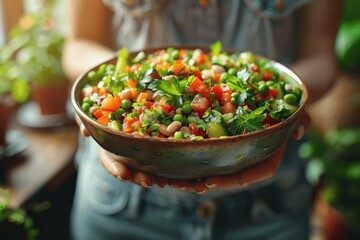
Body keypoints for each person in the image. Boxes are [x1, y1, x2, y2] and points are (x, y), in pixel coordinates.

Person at [62, 0, 342, 239]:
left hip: (267, 206)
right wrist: (100, 108)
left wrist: (289, 111)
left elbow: (319, 56)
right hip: (121, 204)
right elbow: (81, 43)